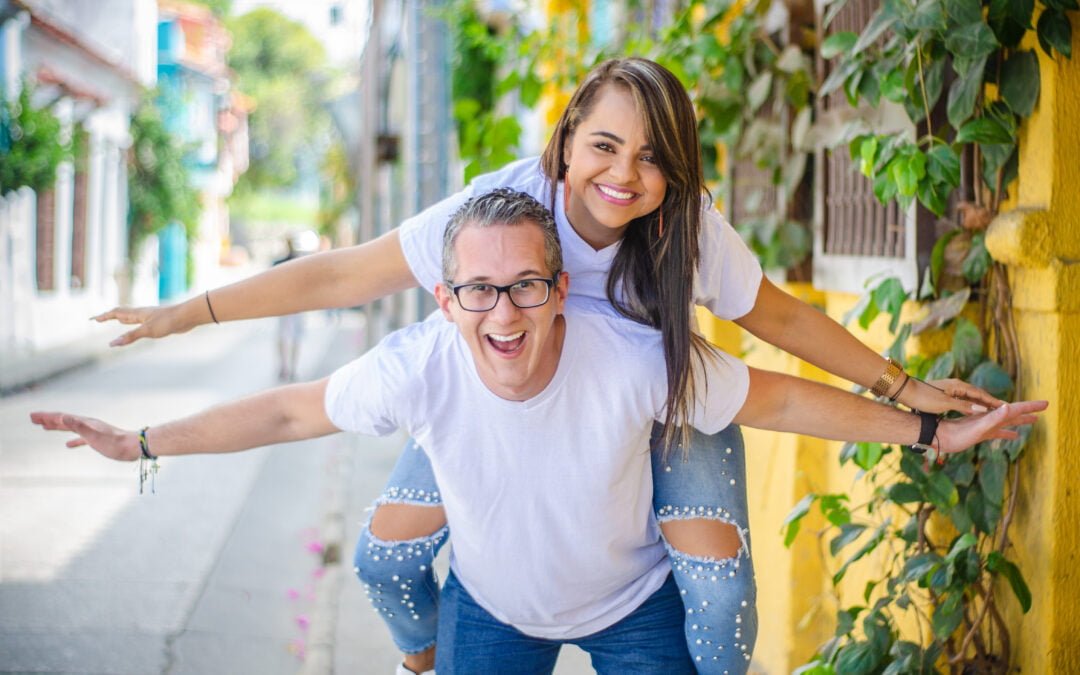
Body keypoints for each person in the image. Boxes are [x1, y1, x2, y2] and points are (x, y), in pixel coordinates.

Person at [91, 59, 1001, 674]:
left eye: (653, 158)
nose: (625, 173)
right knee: (386, 553)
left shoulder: (685, 235)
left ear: (676, 172)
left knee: (720, 600)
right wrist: (190, 311)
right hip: (503, 394)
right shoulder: (502, 219)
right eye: (605, 146)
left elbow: (783, 327)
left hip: (655, 399)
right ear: (565, 142)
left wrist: (911, 398)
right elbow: (340, 273)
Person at [272, 231, 320, 382]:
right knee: (289, 337)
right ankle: (288, 367)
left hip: (290, 306)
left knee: (288, 337)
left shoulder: (282, 263)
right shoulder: (297, 263)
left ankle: (288, 367)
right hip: (292, 306)